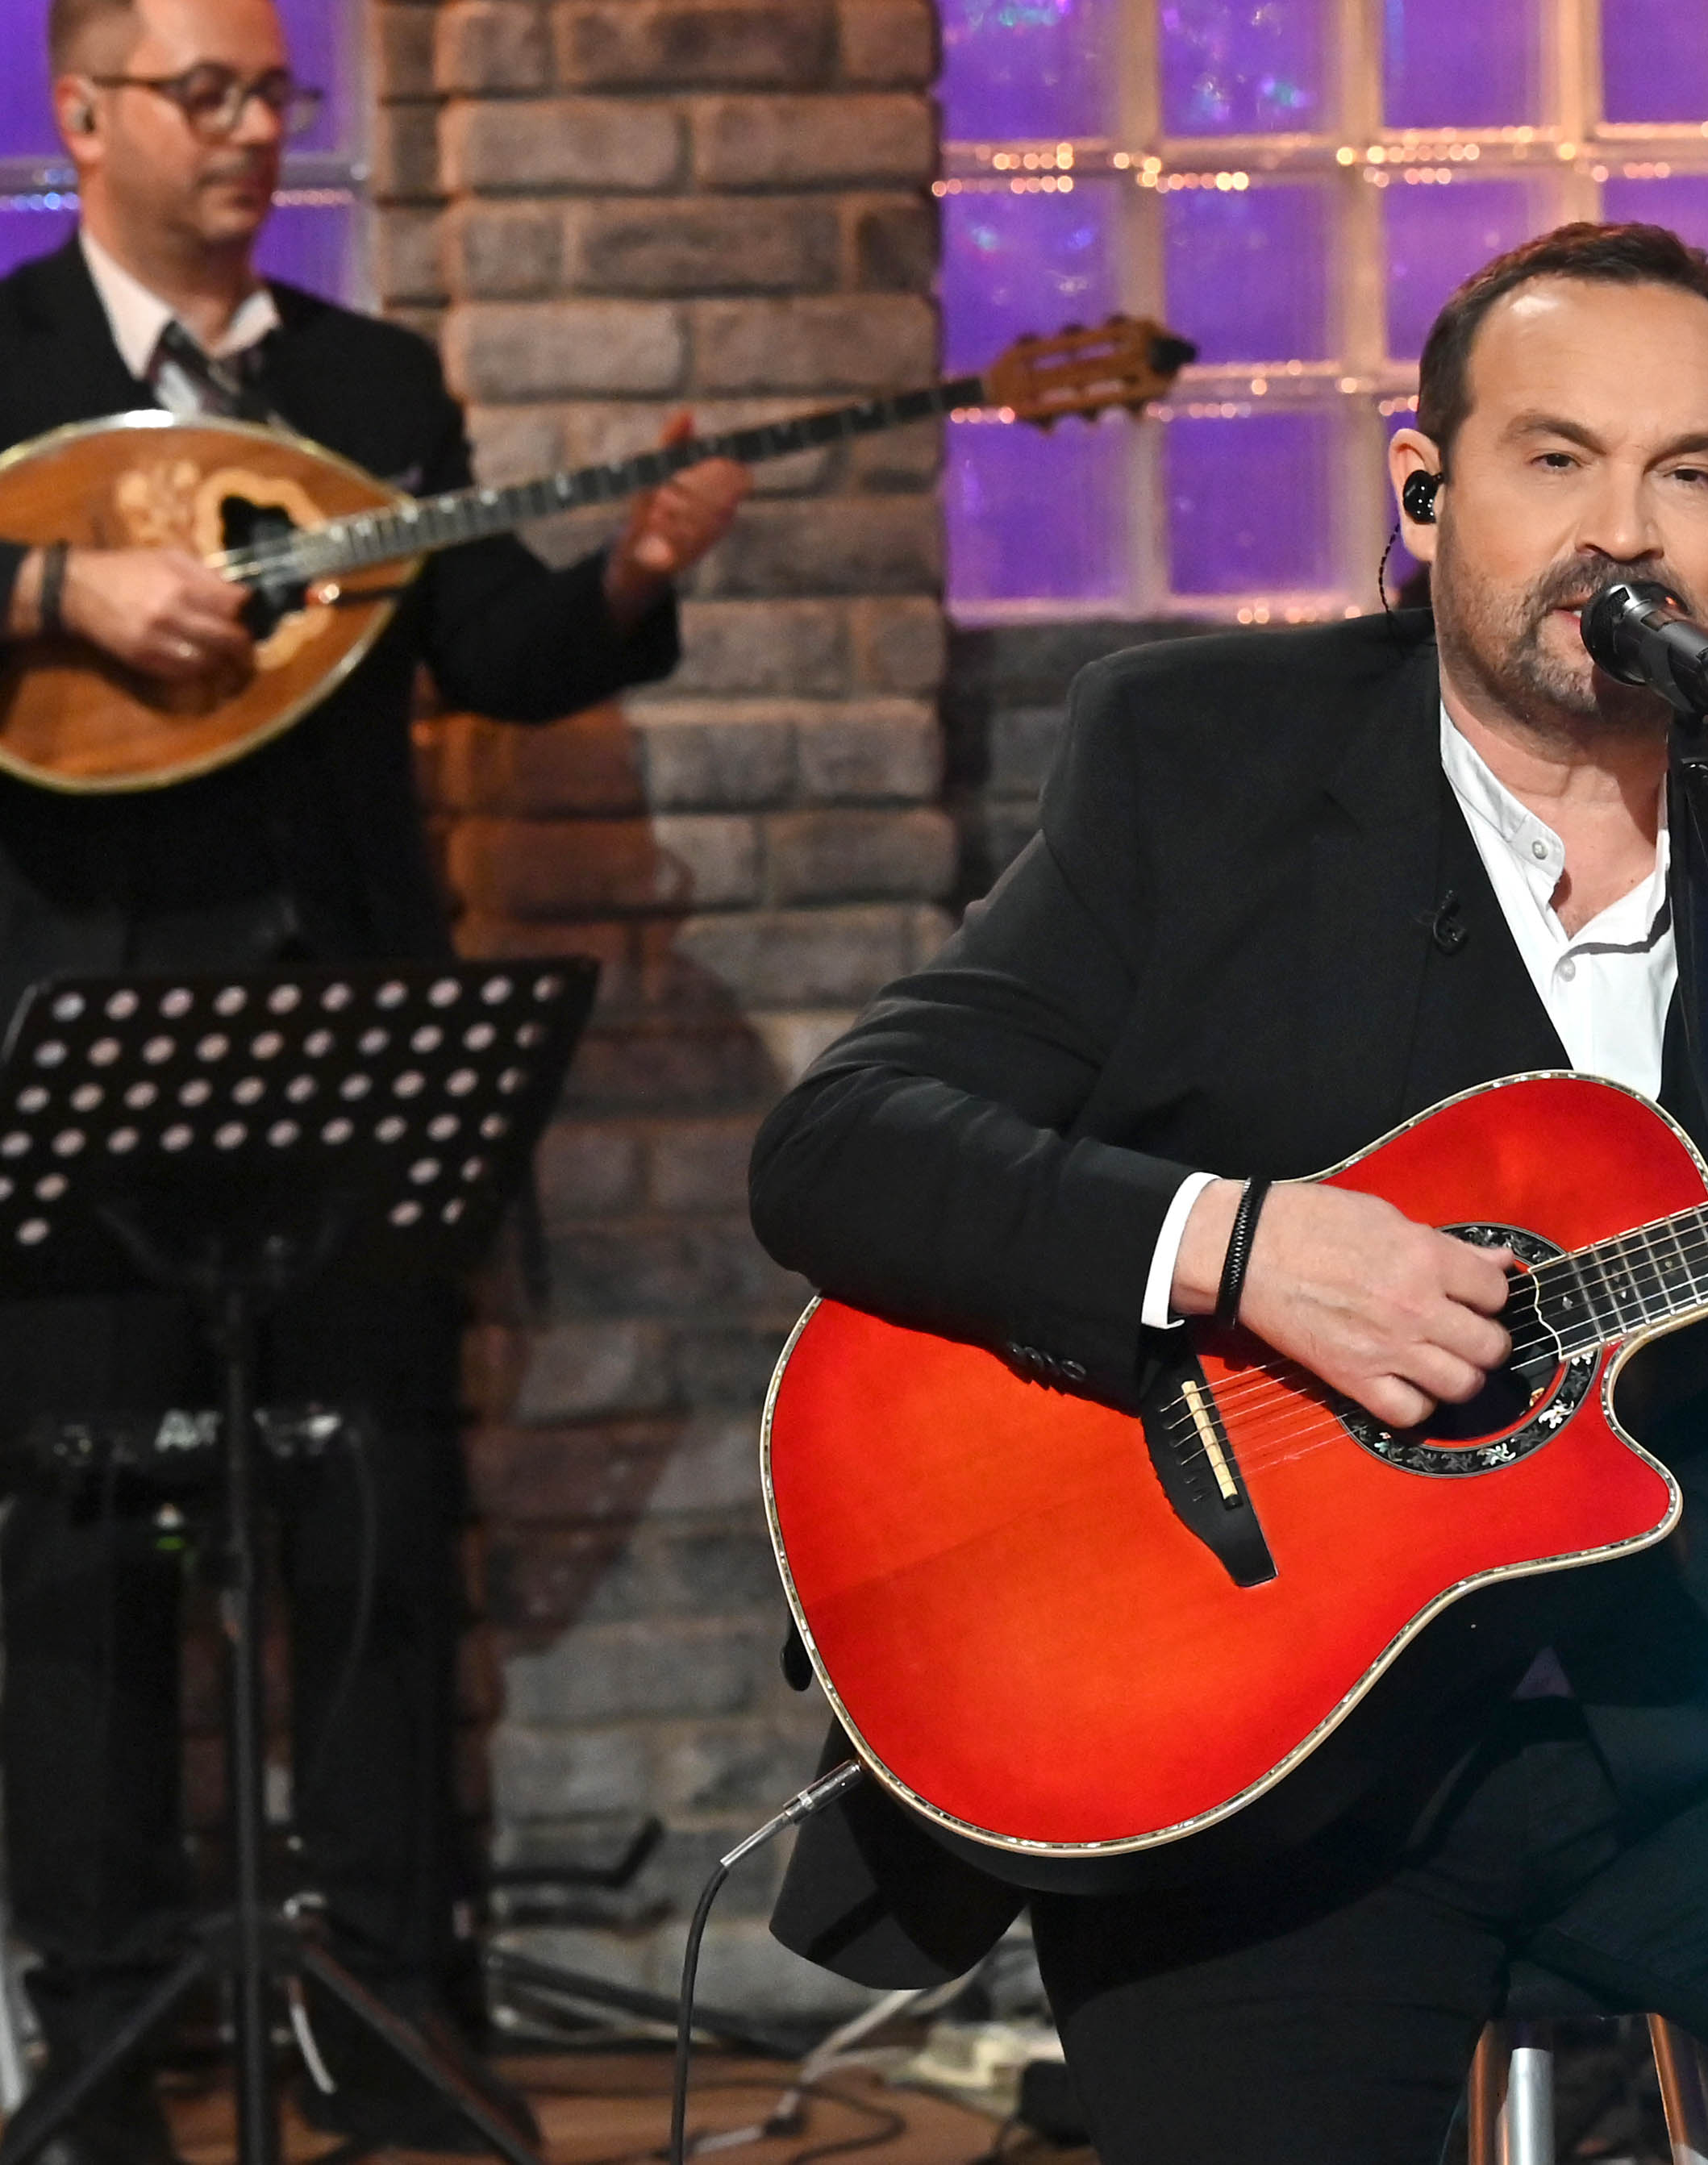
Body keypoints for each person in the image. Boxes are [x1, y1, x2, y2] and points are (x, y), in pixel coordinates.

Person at [752, 222, 1708, 2164]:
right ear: (1426, 486)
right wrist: (1244, 1244)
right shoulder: (1201, 762)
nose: (1621, 530)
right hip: (1259, 1747)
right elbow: (844, 1145)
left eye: (1686, 473)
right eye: (1555, 457)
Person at [0, 1, 749, 2157]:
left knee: (375, 1515)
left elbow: (483, 650)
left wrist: (633, 570)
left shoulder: (369, 386)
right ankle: (107, 2035)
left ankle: (389, 2015)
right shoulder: (6, 360)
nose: (252, 130)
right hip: (73, 1042)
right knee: (81, 1542)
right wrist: (53, 583)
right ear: (83, 114)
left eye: (274, 93)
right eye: (206, 93)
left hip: (343, 1037)